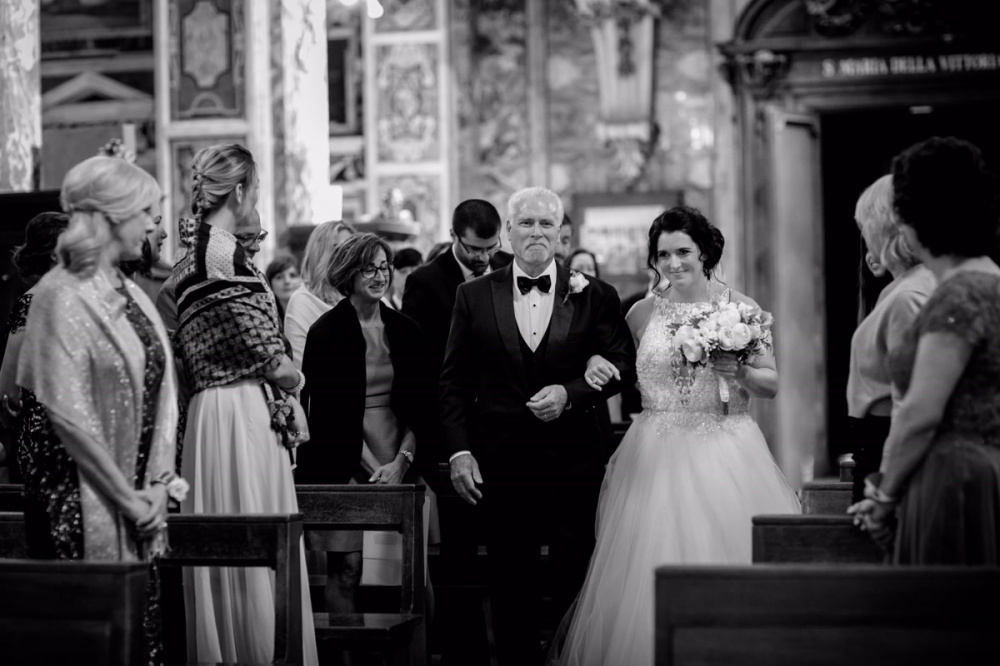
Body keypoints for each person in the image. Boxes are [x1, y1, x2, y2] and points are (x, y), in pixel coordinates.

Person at [554, 205, 799, 665]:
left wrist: (740, 369)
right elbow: (616, 365)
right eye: (662, 254)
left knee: (725, 567)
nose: (672, 264)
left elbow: (772, 383)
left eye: (682, 251)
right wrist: (592, 362)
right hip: (653, 453)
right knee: (643, 573)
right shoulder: (642, 312)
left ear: (704, 251)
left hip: (725, 451)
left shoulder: (741, 309)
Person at [440, 186, 636, 665]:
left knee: (575, 581)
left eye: (546, 224)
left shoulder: (595, 294)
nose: (536, 232)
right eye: (525, 223)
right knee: (510, 585)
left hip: (574, 465)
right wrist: (461, 452)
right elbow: (453, 382)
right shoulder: (472, 295)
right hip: (502, 466)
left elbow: (622, 365)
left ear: (561, 233)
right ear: (508, 230)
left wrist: (571, 394)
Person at [15, 156, 180, 664]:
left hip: (140, 500)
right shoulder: (58, 295)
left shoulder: (131, 290)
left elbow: (163, 394)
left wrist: (157, 486)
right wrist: (128, 500)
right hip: (81, 500)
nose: (156, 224)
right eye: (149, 211)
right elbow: (69, 416)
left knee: (141, 639)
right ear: (112, 213)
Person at [172, 143, 318, 665]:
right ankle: (260, 652)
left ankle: (227, 650)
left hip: (211, 415)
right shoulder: (226, 257)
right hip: (241, 414)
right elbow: (273, 361)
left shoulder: (188, 256)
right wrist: (297, 376)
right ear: (238, 190)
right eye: (254, 188)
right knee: (259, 542)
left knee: (224, 545)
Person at [849, 137, 1000, 565]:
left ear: (915, 221)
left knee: (942, 616)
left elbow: (919, 413)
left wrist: (884, 495)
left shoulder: (957, 294)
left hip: (951, 477)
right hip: (984, 465)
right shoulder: (991, 278)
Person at [299, 232, 440, 616]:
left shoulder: (407, 330)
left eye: (384, 268)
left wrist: (401, 462)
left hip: (401, 456)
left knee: (414, 572)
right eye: (369, 269)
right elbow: (325, 416)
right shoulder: (325, 333)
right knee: (346, 570)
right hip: (344, 459)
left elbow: (425, 408)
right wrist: (374, 469)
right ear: (349, 274)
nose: (379, 277)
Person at [846, 175, 935, 502]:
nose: (865, 239)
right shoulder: (905, 286)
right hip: (875, 444)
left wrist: (887, 486)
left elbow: (909, 401)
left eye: (865, 228)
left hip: (883, 448)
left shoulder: (908, 296)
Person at [0, 212, 69, 488]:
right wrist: (11, 407)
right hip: (44, 435)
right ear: (55, 253)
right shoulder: (34, 301)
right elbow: (7, 386)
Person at [283, 219, 354, 369]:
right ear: (320, 254)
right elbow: (302, 369)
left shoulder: (364, 295)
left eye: (351, 249)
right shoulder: (303, 302)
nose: (347, 257)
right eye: (337, 249)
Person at [266, 251, 301, 320]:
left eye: (293, 275)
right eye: (279, 277)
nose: (287, 281)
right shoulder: (266, 318)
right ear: (269, 284)